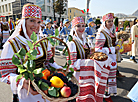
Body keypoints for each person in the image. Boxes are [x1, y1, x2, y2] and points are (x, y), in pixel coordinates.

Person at [0, 4, 62, 102]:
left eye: (38, 22)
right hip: (25, 94)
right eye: (32, 21)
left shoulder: (44, 41)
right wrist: (22, 81)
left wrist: (59, 69)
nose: (36, 26)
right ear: (24, 22)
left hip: (45, 91)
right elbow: (5, 74)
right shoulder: (12, 44)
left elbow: (49, 63)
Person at [95, 13, 120, 102]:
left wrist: (118, 44)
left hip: (112, 59)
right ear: (104, 22)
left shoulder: (110, 32)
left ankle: (108, 94)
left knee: (110, 77)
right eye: (108, 21)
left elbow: (111, 44)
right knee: (105, 79)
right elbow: (98, 49)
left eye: (112, 21)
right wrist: (113, 49)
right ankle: (105, 96)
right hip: (105, 60)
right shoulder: (101, 33)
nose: (111, 23)